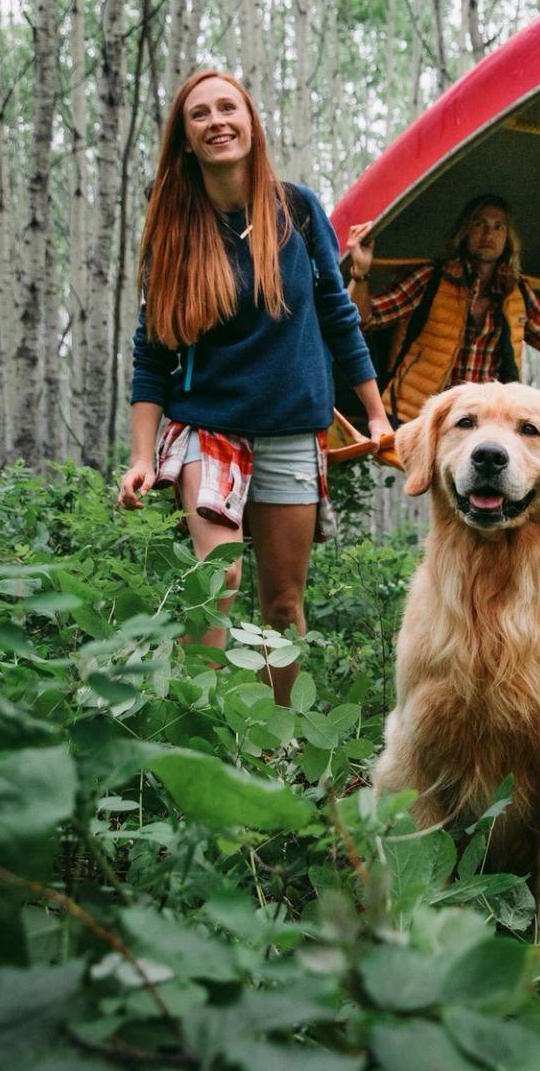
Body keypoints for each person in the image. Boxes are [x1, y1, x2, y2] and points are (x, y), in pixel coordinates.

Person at [118, 70, 393, 707]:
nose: (217, 121)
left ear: (250, 121)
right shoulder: (174, 228)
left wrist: (377, 416)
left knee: (283, 600)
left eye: (228, 108)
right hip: (207, 427)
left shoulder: (296, 209)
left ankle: (282, 742)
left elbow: (337, 313)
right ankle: (204, 740)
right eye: (199, 115)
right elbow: (151, 352)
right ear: (185, 139)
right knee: (219, 581)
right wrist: (140, 455)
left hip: (293, 430)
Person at [343, 194, 540, 424]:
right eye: (480, 224)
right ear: (465, 232)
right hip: (423, 419)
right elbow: (366, 318)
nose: (489, 234)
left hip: (484, 425)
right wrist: (360, 273)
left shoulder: (516, 292)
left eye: (499, 227)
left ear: (508, 237)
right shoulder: (432, 278)